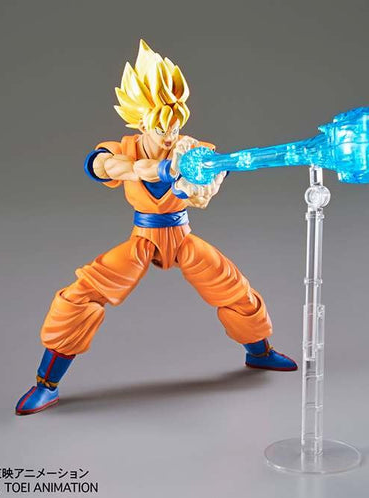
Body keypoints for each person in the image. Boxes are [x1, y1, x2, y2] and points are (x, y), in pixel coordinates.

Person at [15, 40, 296, 416]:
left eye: (176, 123)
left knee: (233, 287)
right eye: (162, 125)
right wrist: (161, 169)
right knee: (80, 297)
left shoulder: (194, 149)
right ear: (142, 119)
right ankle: (45, 384)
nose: (170, 133)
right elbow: (104, 167)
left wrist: (208, 175)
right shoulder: (122, 149)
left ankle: (260, 352)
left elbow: (211, 181)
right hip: (142, 240)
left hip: (183, 238)